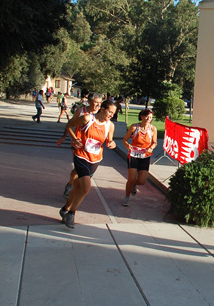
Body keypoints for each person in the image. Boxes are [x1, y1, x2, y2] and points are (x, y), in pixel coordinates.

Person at [59, 100, 117, 228]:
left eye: (114, 113)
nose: (112, 115)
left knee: (79, 186)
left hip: (95, 159)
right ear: (102, 109)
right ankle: (71, 213)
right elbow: (69, 125)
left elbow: (110, 140)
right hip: (81, 156)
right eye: (110, 112)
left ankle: (65, 209)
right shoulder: (87, 118)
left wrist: (112, 144)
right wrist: (74, 139)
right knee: (86, 187)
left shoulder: (110, 126)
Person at [57, 92, 103, 198]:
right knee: (78, 169)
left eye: (100, 103)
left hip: (92, 149)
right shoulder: (81, 111)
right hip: (78, 145)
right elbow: (70, 124)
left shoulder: (100, 113)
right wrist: (67, 137)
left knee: (84, 172)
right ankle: (70, 185)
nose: (98, 105)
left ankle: (76, 187)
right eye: (96, 102)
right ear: (89, 102)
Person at [121, 108, 157, 206]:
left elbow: (155, 142)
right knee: (131, 179)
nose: (148, 119)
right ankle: (127, 197)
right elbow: (124, 140)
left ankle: (134, 185)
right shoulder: (134, 127)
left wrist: (151, 148)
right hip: (134, 155)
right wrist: (127, 146)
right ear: (141, 116)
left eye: (150, 118)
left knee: (142, 181)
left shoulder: (153, 129)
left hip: (145, 156)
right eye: (146, 117)